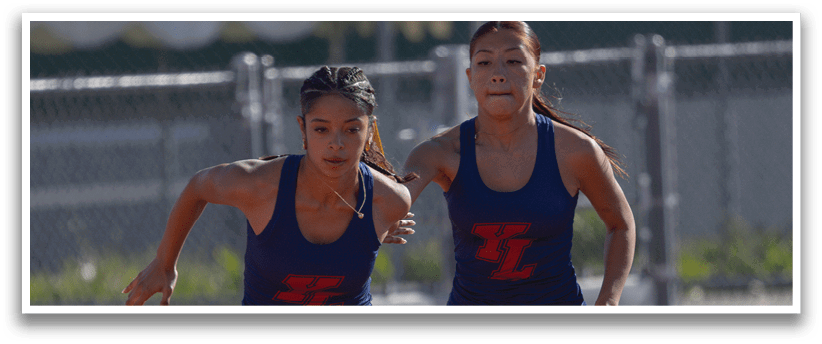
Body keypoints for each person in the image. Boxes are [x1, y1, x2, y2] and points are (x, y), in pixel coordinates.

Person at [122, 66, 417, 305]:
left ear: (369, 131)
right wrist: (164, 262)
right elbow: (199, 186)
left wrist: (378, 226)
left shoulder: (388, 201)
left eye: (352, 129)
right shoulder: (260, 185)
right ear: (303, 129)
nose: (336, 143)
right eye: (321, 129)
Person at [402, 21, 636, 305]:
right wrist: (384, 217)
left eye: (513, 61)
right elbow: (391, 200)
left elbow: (620, 225)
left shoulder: (575, 150)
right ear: (470, 76)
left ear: (538, 75)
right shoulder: (440, 152)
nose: (498, 75)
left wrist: (608, 302)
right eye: (484, 62)